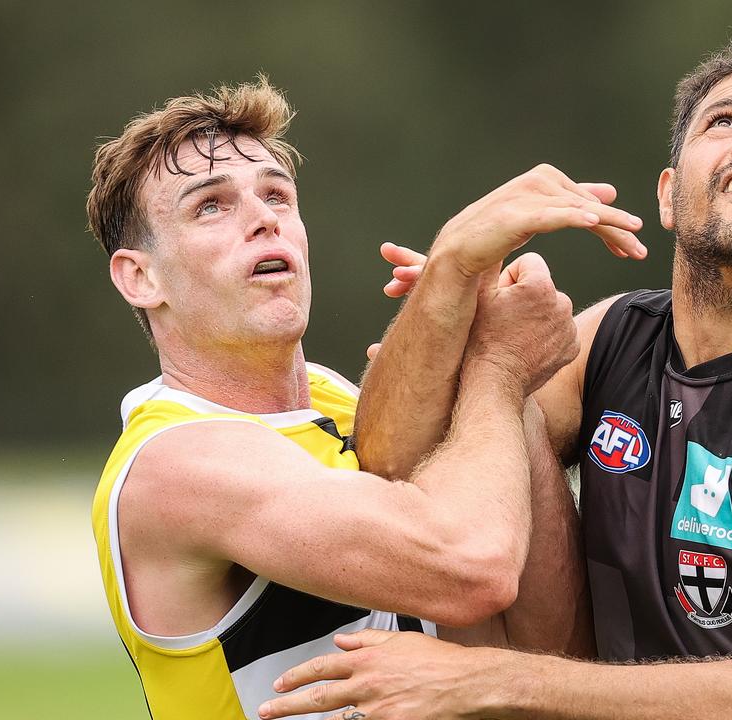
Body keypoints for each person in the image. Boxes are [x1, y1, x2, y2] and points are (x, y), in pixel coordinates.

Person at [261, 30, 732, 720]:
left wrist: (481, 680)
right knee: (488, 397)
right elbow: (392, 458)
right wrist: (454, 276)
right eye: (724, 121)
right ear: (667, 195)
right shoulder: (614, 338)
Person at [86, 78, 645, 718]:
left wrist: (474, 344)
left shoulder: (341, 400)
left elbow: (544, 655)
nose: (263, 217)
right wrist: (493, 361)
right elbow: (473, 568)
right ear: (140, 276)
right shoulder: (174, 464)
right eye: (210, 206)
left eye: (276, 195)